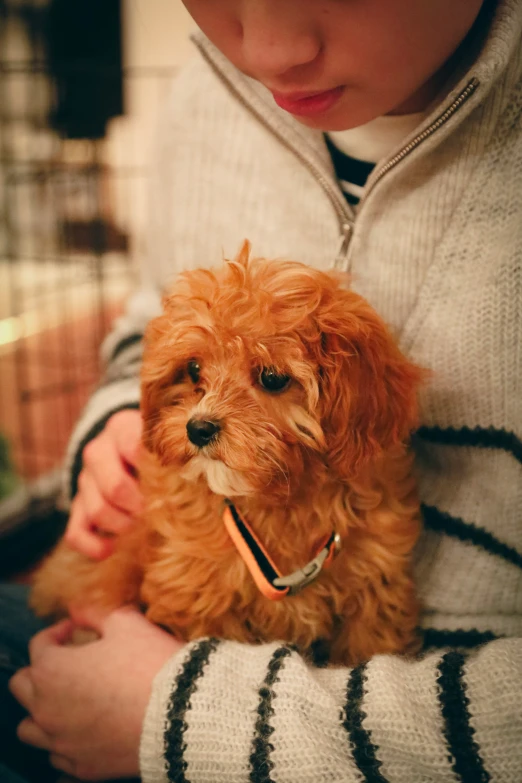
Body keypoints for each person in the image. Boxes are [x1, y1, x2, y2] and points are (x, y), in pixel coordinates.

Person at [2, 0, 522, 780]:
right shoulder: (204, 93)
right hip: (135, 642)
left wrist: (186, 719)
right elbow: (156, 325)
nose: (274, 49)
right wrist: (120, 416)